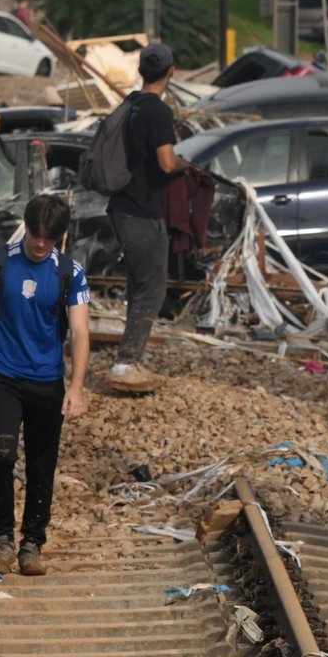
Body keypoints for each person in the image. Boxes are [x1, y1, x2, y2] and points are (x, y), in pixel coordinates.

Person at [0, 195, 90, 577]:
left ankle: (32, 544)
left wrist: (76, 388)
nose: (40, 244)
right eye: (35, 234)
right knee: (3, 456)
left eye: (49, 237)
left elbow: (79, 331)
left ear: (59, 237)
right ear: (26, 226)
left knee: (42, 466)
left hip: (48, 382)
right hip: (3, 375)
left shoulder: (69, 272)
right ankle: (2, 540)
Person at [107, 42, 189, 394]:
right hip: (142, 212)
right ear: (171, 72)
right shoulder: (157, 111)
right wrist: (186, 165)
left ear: (141, 70)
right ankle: (125, 363)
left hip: (121, 208)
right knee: (153, 289)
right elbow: (167, 163)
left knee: (138, 286)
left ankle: (129, 360)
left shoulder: (130, 105)